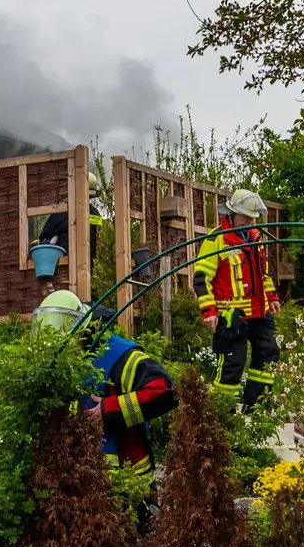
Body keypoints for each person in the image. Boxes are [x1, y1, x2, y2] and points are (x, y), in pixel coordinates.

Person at [33, 290, 178, 528]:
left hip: (128, 483)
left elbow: (165, 391)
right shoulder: (58, 362)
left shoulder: (118, 355)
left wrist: (110, 409)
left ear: (81, 330)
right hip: (79, 485)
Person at [192, 189, 281, 411]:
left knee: (268, 354)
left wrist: (271, 296)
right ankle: (224, 413)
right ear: (231, 214)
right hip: (232, 316)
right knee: (233, 362)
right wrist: (209, 311)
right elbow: (202, 278)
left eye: (252, 218)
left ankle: (257, 407)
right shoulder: (216, 240)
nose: (250, 222)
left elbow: (263, 274)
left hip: (260, 312)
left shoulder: (256, 238)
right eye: (245, 217)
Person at [35, 172, 102, 261]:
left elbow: (46, 234)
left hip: (64, 263)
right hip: (88, 262)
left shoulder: (62, 211)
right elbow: (97, 236)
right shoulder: (95, 214)